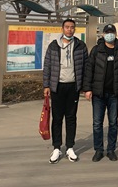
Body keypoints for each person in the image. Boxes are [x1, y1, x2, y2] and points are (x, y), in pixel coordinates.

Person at [43, 18, 88, 164]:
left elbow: (86, 67)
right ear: (62, 29)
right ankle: (57, 147)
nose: (69, 29)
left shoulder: (80, 46)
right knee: (57, 118)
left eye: (72, 27)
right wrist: (46, 85)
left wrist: (85, 87)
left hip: (73, 86)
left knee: (71, 117)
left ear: (75, 29)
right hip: (57, 86)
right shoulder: (53, 46)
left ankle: (70, 147)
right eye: (67, 27)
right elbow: (47, 66)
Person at [83, 24, 118, 162]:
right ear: (103, 35)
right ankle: (98, 150)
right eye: (107, 32)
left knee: (113, 123)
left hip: (114, 94)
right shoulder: (97, 50)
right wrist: (87, 89)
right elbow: (89, 70)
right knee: (97, 123)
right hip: (98, 94)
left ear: (115, 34)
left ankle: (111, 150)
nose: (110, 35)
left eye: (112, 32)